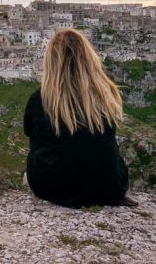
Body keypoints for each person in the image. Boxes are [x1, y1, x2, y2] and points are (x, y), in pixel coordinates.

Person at [24, 28, 137, 208]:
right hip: (109, 188)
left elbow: (29, 132)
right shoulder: (106, 95)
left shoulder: (40, 99)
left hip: (53, 188)